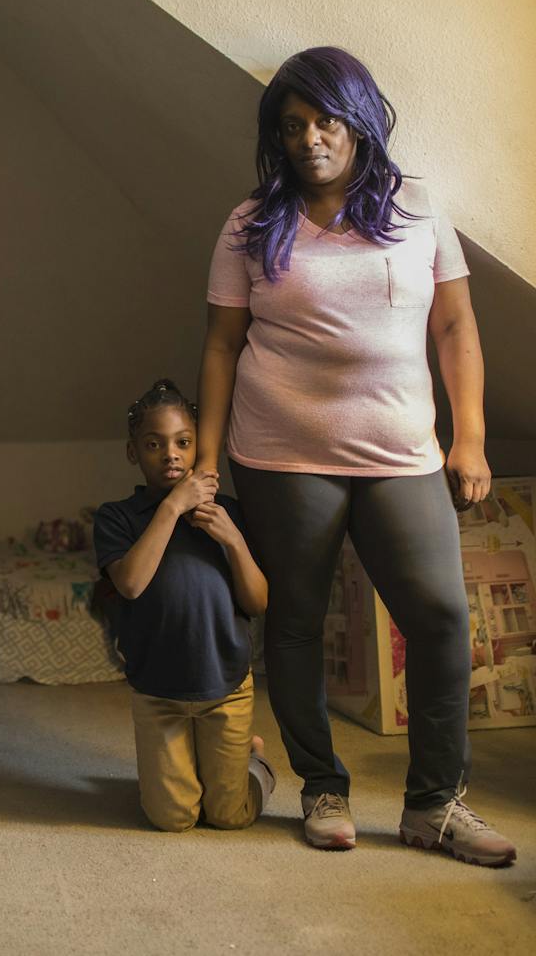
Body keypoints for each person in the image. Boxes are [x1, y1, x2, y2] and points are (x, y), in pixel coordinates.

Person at [197, 46, 516, 865]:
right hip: (281, 452)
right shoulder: (249, 223)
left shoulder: (418, 208)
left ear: (360, 119)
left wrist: (468, 435)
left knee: (442, 618)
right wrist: (204, 457)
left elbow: (455, 327)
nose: (311, 139)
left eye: (326, 119)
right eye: (293, 125)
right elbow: (223, 345)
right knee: (298, 621)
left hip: (401, 453)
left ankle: (434, 805)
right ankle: (322, 784)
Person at [94, 379, 275, 832]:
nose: (170, 454)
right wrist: (173, 507)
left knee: (229, 817)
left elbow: (258, 601)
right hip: (159, 693)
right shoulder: (117, 517)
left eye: (183, 442)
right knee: (173, 818)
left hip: (226, 687)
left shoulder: (227, 512)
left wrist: (233, 538)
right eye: (154, 444)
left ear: (197, 447)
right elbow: (132, 584)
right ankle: (188, 770)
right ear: (134, 452)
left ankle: (254, 760)